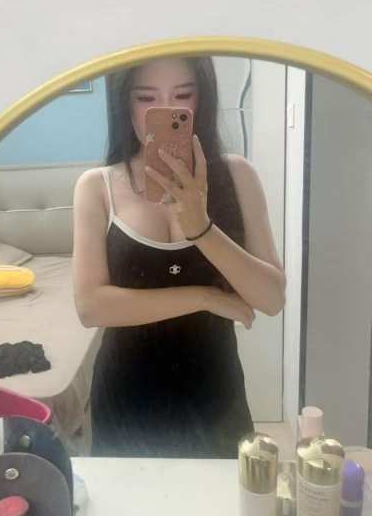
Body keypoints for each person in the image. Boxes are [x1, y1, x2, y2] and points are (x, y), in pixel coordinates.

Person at [72, 57, 286, 458]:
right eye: (146, 98)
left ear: (202, 100)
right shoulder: (97, 187)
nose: (166, 110)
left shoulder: (238, 177)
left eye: (183, 95)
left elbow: (272, 299)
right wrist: (204, 297)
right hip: (127, 392)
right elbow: (91, 307)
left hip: (216, 391)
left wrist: (201, 228)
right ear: (125, 104)